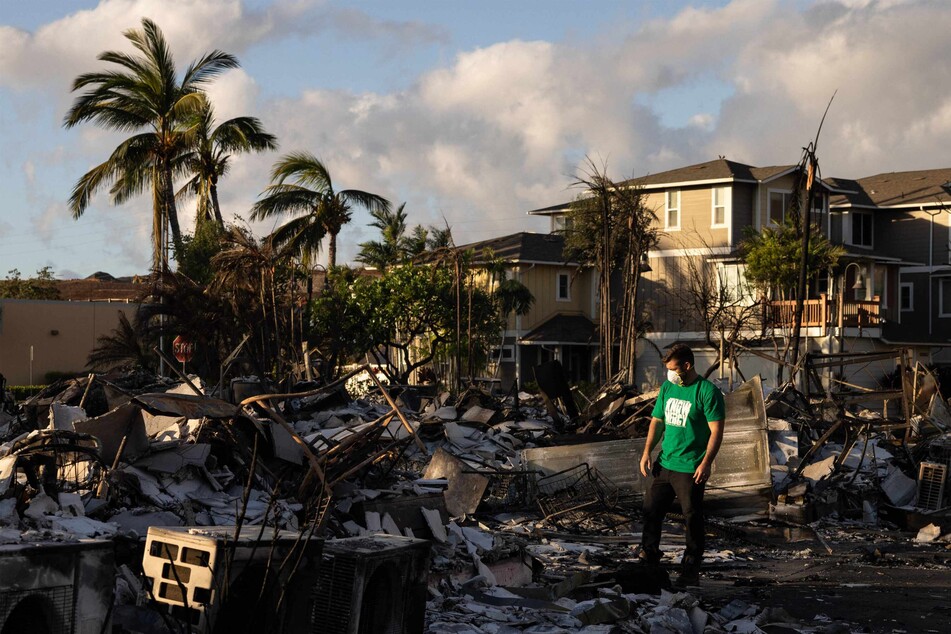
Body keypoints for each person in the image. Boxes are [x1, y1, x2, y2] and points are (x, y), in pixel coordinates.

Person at [638, 343, 725, 587]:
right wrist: (647, 452)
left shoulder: (707, 392)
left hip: (690, 467)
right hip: (665, 463)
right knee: (651, 510)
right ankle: (649, 557)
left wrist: (706, 463)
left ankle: (690, 568)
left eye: (674, 369)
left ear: (687, 366)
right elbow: (657, 422)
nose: (670, 374)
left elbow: (716, 432)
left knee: (692, 518)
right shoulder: (668, 387)